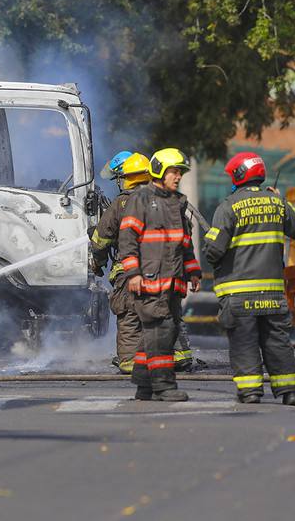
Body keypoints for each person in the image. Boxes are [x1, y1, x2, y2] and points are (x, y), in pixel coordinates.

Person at [203, 151, 295, 405]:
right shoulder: (277, 203)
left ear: (238, 175)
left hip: (239, 294)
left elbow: (214, 251)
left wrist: (210, 249)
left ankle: (250, 392)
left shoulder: (229, 206)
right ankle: (289, 392)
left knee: (244, 343)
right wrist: (281, 201)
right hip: (273, 294)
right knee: (278, 342)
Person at [118, 148, 202, 402]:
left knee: (157, 333)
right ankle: (164, 385)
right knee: (162, 332)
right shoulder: (140, 199)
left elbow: (184, 242)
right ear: (159, 172)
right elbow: (127, 239)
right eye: (174, 172)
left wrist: (193, 272)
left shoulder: (177, 202)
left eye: (180, 172)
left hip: (174, 282)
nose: (178, 177)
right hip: (149, 282)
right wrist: (133, 273)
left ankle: (144, 387)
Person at [91, 151, 151, 374]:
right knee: (163, 314)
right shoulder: (162, 200)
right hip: (159, 269)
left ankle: (128, 362)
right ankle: (177, 357)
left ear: (125, 177)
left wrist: (97, 262)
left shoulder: (121, 202)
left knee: (128, 317)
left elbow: (100, 241)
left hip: (128, 271)